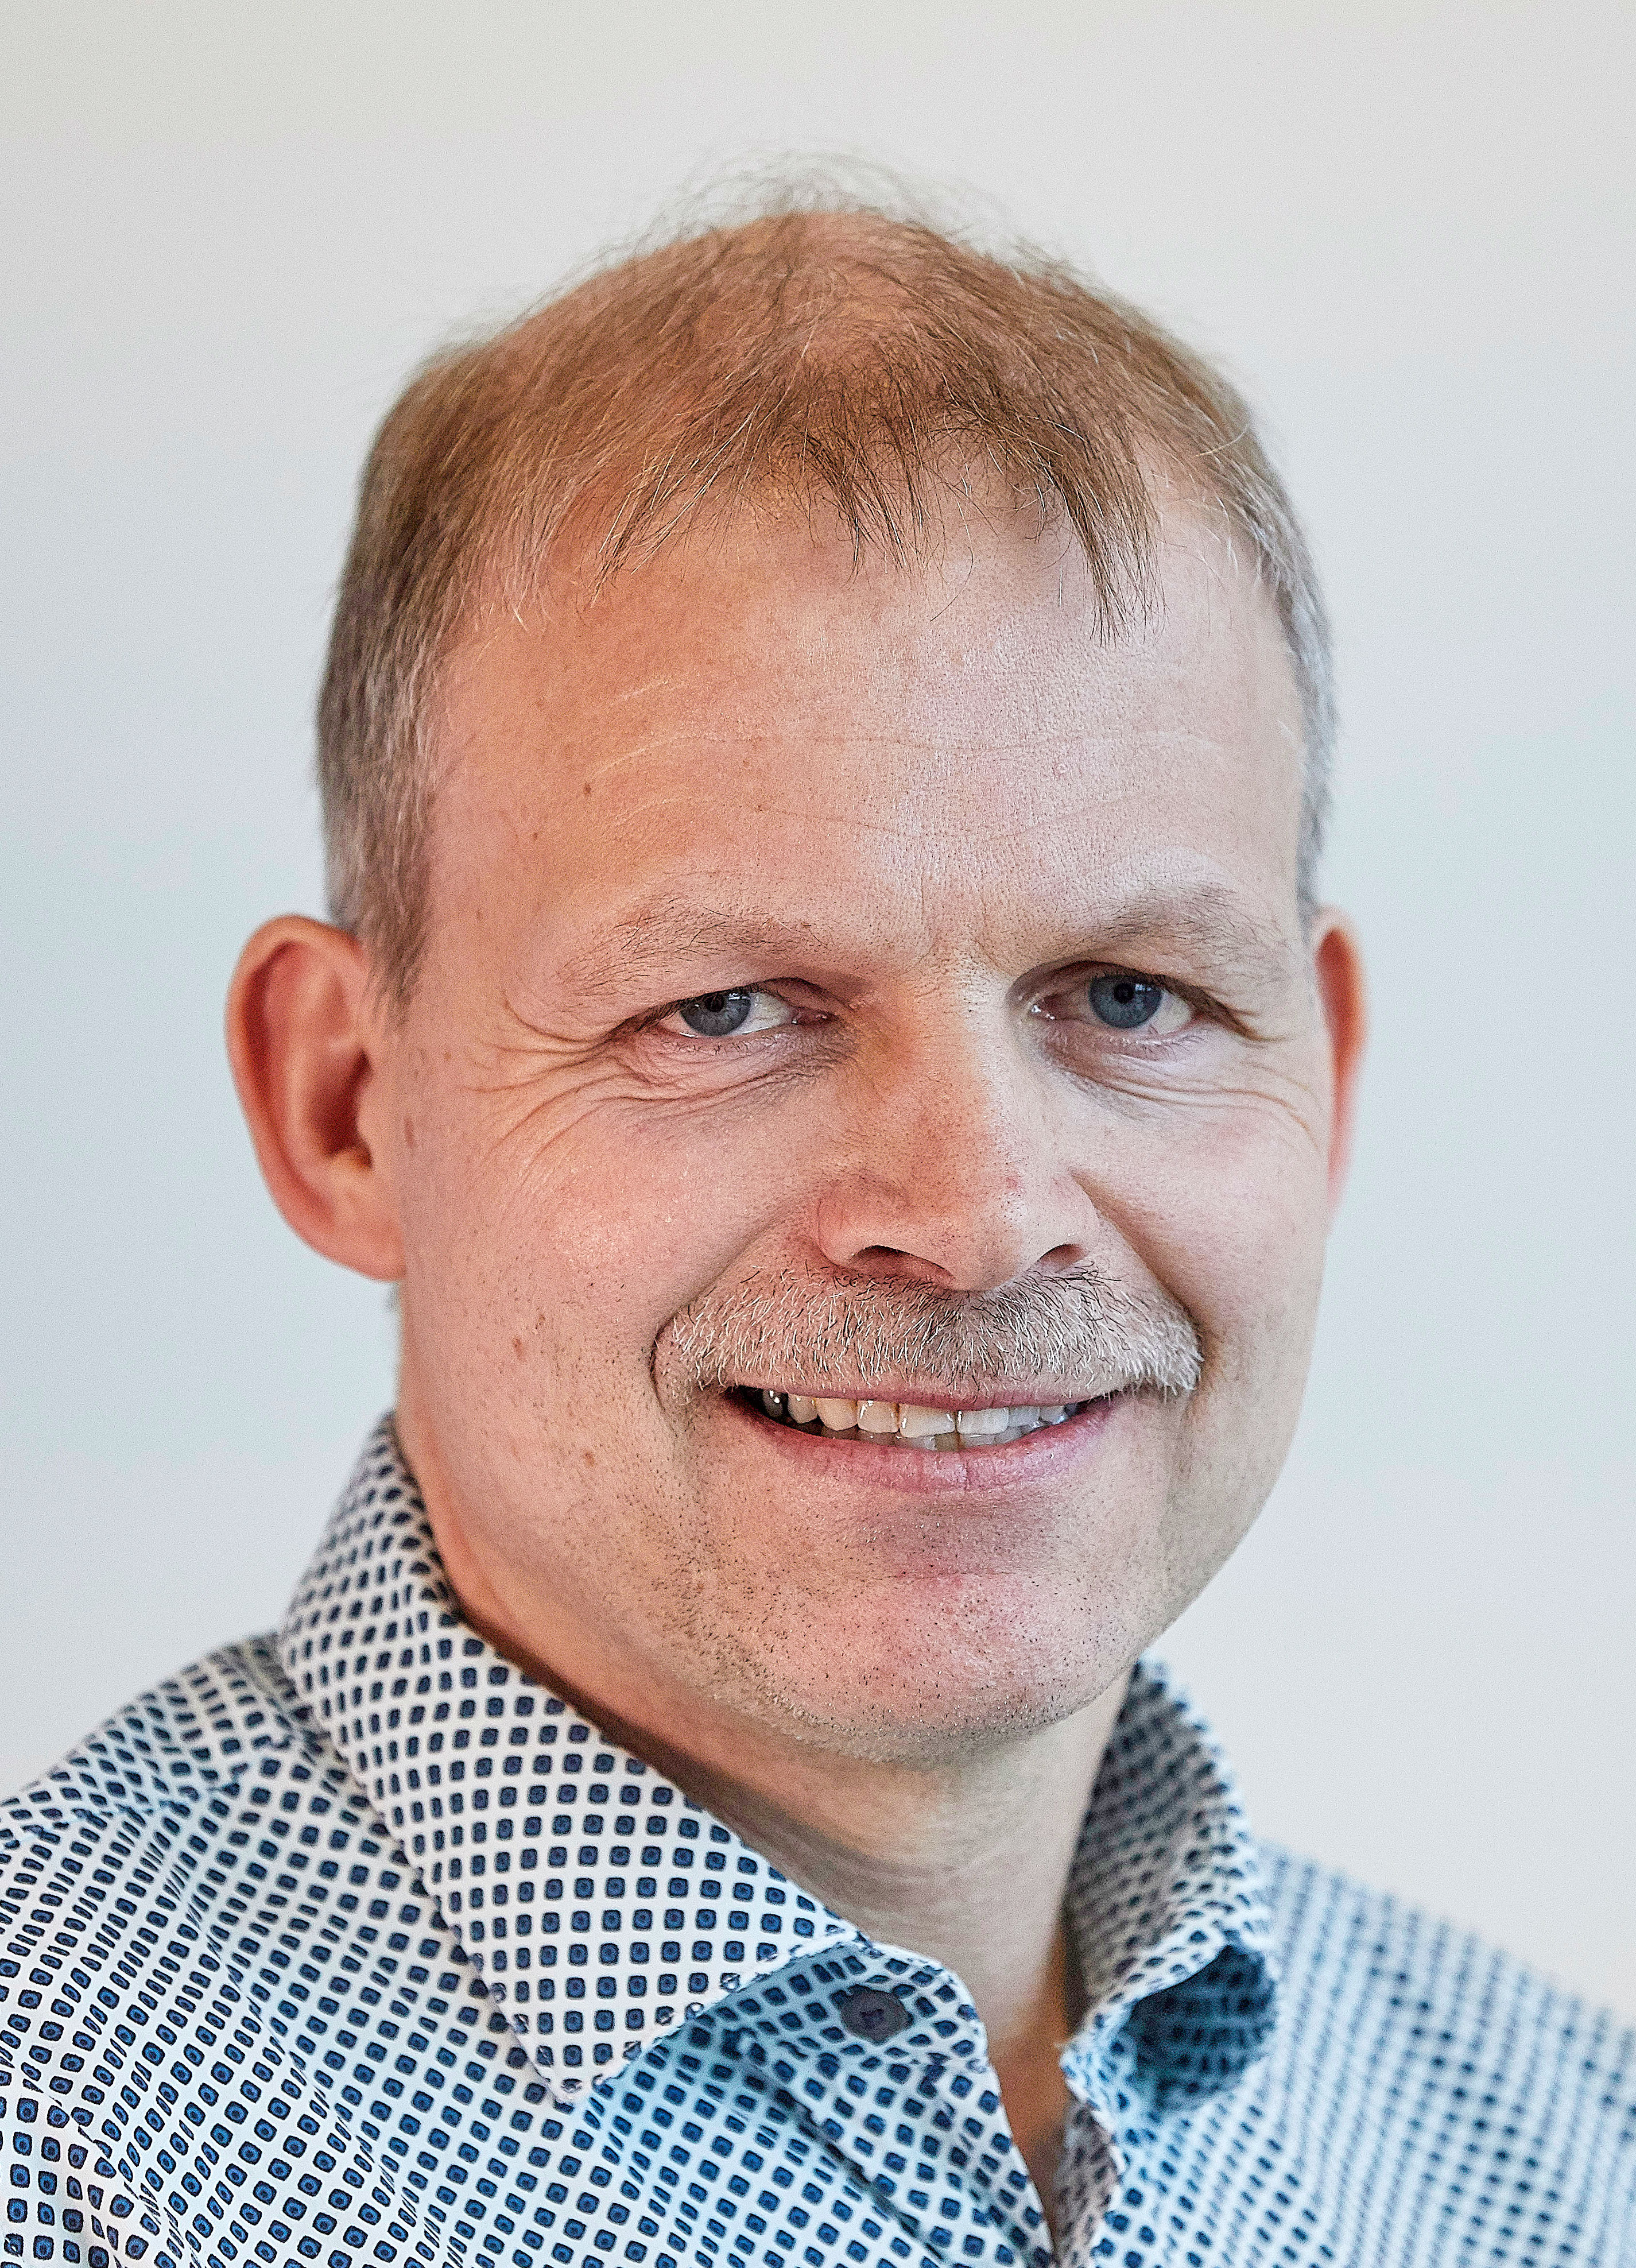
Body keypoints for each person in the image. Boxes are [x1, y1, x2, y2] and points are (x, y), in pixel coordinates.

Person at [2, 198, 1629, 2268]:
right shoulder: (56, 2146)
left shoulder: (1567, 2159)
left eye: (1128, 996)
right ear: (344, 1108)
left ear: (1322, 1080)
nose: (979, 1218)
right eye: (726, 1010)